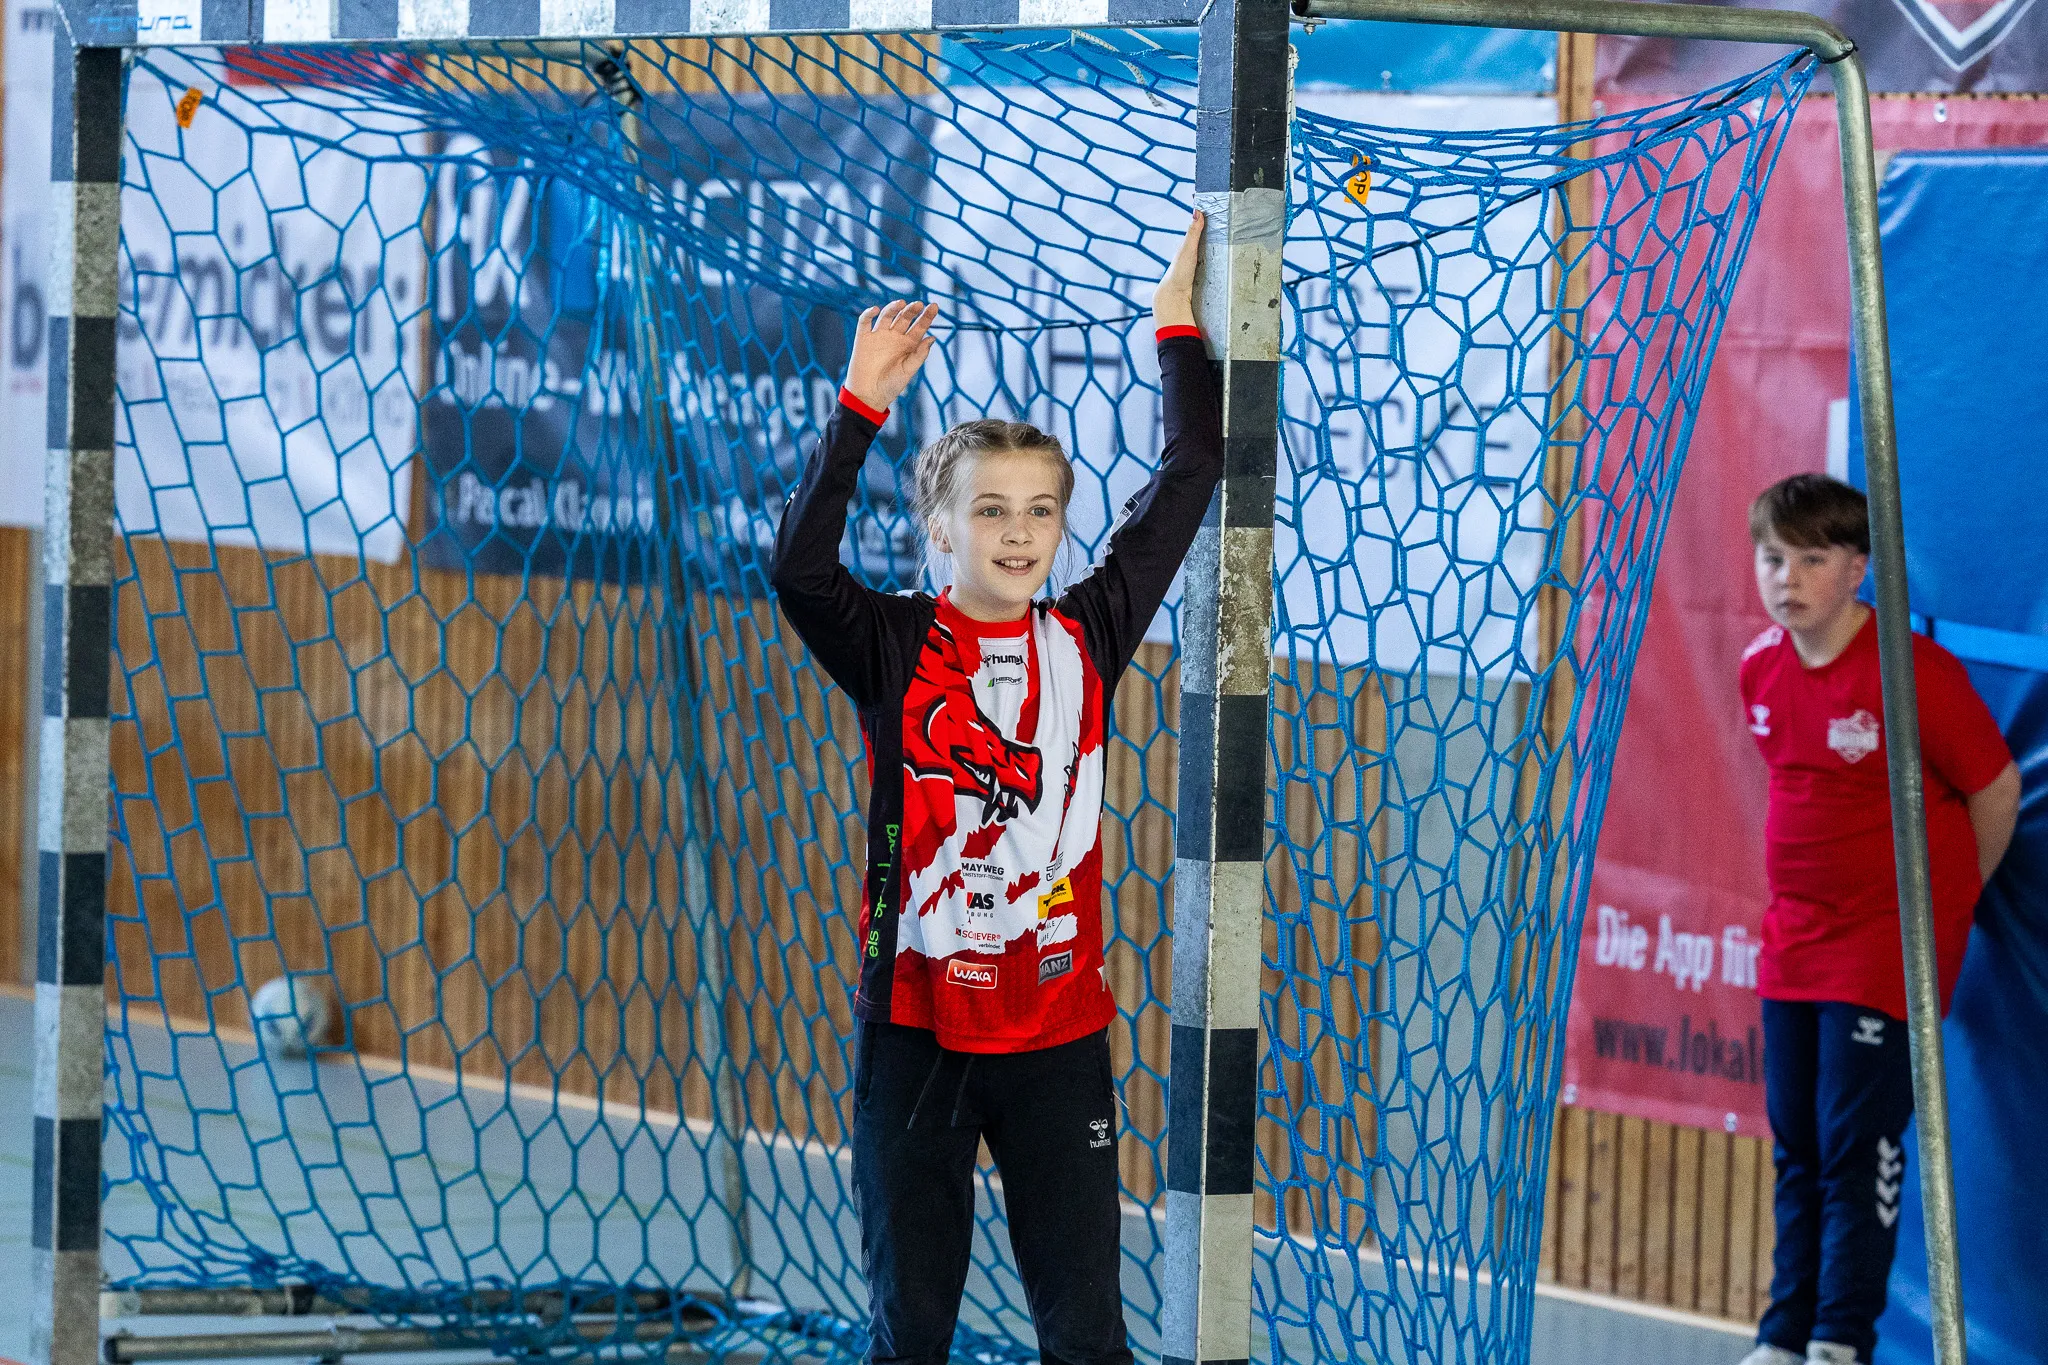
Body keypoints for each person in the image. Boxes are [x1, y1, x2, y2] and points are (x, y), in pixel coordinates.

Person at [768, 213, 1218, 1365]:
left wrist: (1175, 326)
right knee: (909, 1335)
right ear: (938, 530)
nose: (1017, 533)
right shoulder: (889, 644)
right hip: (913, 1038)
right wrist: (858, 410)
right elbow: (797, 569)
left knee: (1088, 1340)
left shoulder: (1089, 630)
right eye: (988, 509)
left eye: (1038, 511)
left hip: (1057, 1042)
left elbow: (1190, 469)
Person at [1736, 474, 2020, 1365]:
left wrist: (1947, 904)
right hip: (1794, 945)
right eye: (1774, 557)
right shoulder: (1760, 667)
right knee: (1799, 1147)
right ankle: (1784, 1336)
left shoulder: (1910, 674)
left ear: (1857, 568)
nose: (1788, 578)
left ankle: (1838, 1340)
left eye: (1812, 558)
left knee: (1855, 1150)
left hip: (1883, 951)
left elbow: (1995, 788)